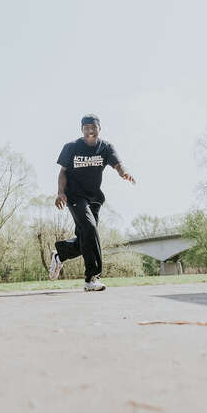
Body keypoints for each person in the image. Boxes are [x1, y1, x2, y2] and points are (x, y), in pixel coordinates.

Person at [49, 114, 135, 291]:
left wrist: (124, 173)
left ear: (99, 129)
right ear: (82, 130)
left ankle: (60, 255)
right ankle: (91, 278)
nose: (90, 131)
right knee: (90, 228)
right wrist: (60, 193)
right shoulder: (71, 147)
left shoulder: (106, 147)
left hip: (94, 198)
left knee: (87, 238)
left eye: (93, 127)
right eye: (86, 127)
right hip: (74, 196)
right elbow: (63, 172)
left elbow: (118, 164)